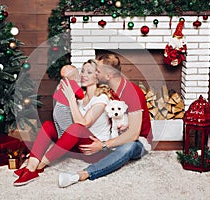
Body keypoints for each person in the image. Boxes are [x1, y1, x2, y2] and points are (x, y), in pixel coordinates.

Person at [13, 59, 114, 186]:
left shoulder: (101, 98)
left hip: (94, 151)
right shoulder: (80, 96)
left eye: (89, 72)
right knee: (48, 125)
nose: (83, 75)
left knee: (76, 127)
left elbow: (83, 123)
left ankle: (41, 165)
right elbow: (61, 112)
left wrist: (71, 97)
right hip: (77, 148)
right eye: (82, 71)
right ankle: (31, 167)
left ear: (97, 77)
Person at [58, 53, 152, 188]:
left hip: (139, 141)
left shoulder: (132, 92)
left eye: (97, 71)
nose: (95, 73)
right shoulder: (108, 91)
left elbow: (133, 134)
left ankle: (83, 174)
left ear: (108, 76)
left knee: (129, 146)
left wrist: (103, 145)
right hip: (114, 138)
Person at [52, 64, 84, 138]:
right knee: (68, 131)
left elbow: (55, 95)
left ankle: (61, 145)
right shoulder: (72, 83)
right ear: (75, 76)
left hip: (57, 108)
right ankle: (66, 146)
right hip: (64, 109)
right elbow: (81, 95)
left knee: (60, 132)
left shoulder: (62, 83)